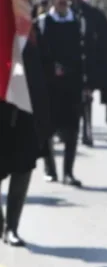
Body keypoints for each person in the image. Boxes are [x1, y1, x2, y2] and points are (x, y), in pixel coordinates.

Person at [37, 0, 90, 187]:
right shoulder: (42, 23)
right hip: (48, 86)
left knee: (71, 131)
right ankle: (50, 168)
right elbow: (36, 55)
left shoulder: (78, 22)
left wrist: (86, 84)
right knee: (47, 130)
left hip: (71, 86)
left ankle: (69, 172)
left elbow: (84, 55)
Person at [0, 27, 51, 246]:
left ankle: (12, 227)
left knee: (23, 169)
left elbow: (41, 76)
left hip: (24, 115)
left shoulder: (28, 40)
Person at [70, 0, 107, 147]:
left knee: (86, 100)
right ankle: (72, 133)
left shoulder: (91, 14)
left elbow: (104, 38)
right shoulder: (64, 12)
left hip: (88, 66)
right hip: (69, 65)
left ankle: (88, 130)